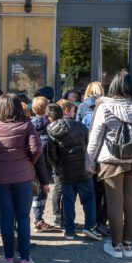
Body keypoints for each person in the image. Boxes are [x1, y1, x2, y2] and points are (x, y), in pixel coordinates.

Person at [87, 70, 132, 259]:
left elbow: (95, 137)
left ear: (113, 86)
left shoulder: (104, 106)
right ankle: (128, 246)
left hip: (111, 160)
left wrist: (89, 161)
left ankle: (116, 246)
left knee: (114, 203)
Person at [0, 94, 42, 263]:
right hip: (23, 176)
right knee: (23, 217)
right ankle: (26, 259)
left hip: (1, 177)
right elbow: (36, 148)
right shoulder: (27, 125)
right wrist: (28, 162)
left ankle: (9, 257)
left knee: (6, 217)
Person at [47, 102, 102, 241]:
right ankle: (90, 227)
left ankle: (69, 230)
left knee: (68, 201)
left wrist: (58, 168)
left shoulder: (51, 129)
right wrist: (92, 165)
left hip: (65, 171)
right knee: (89, 199)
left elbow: (52, 155)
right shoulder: (79, 126)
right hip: (83, 170)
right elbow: (90, 146)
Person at [30, 96, 55, 231]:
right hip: (46, 162)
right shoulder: (51, 123)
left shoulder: (30, 124)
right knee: (43, 191)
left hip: (33, 163)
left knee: (34, 190)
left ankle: (36, 219)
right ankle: (39, 219)